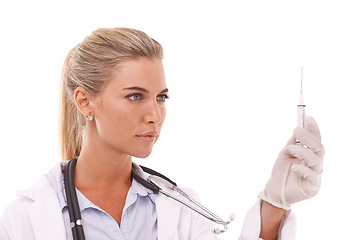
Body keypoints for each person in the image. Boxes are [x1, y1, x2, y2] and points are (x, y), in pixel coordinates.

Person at [0, 27, 324, 240]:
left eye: (161, 97)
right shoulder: (24, 220)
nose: (155, 115)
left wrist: (274, 206)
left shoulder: (181, 209)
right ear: (86, 101)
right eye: (135, 96)